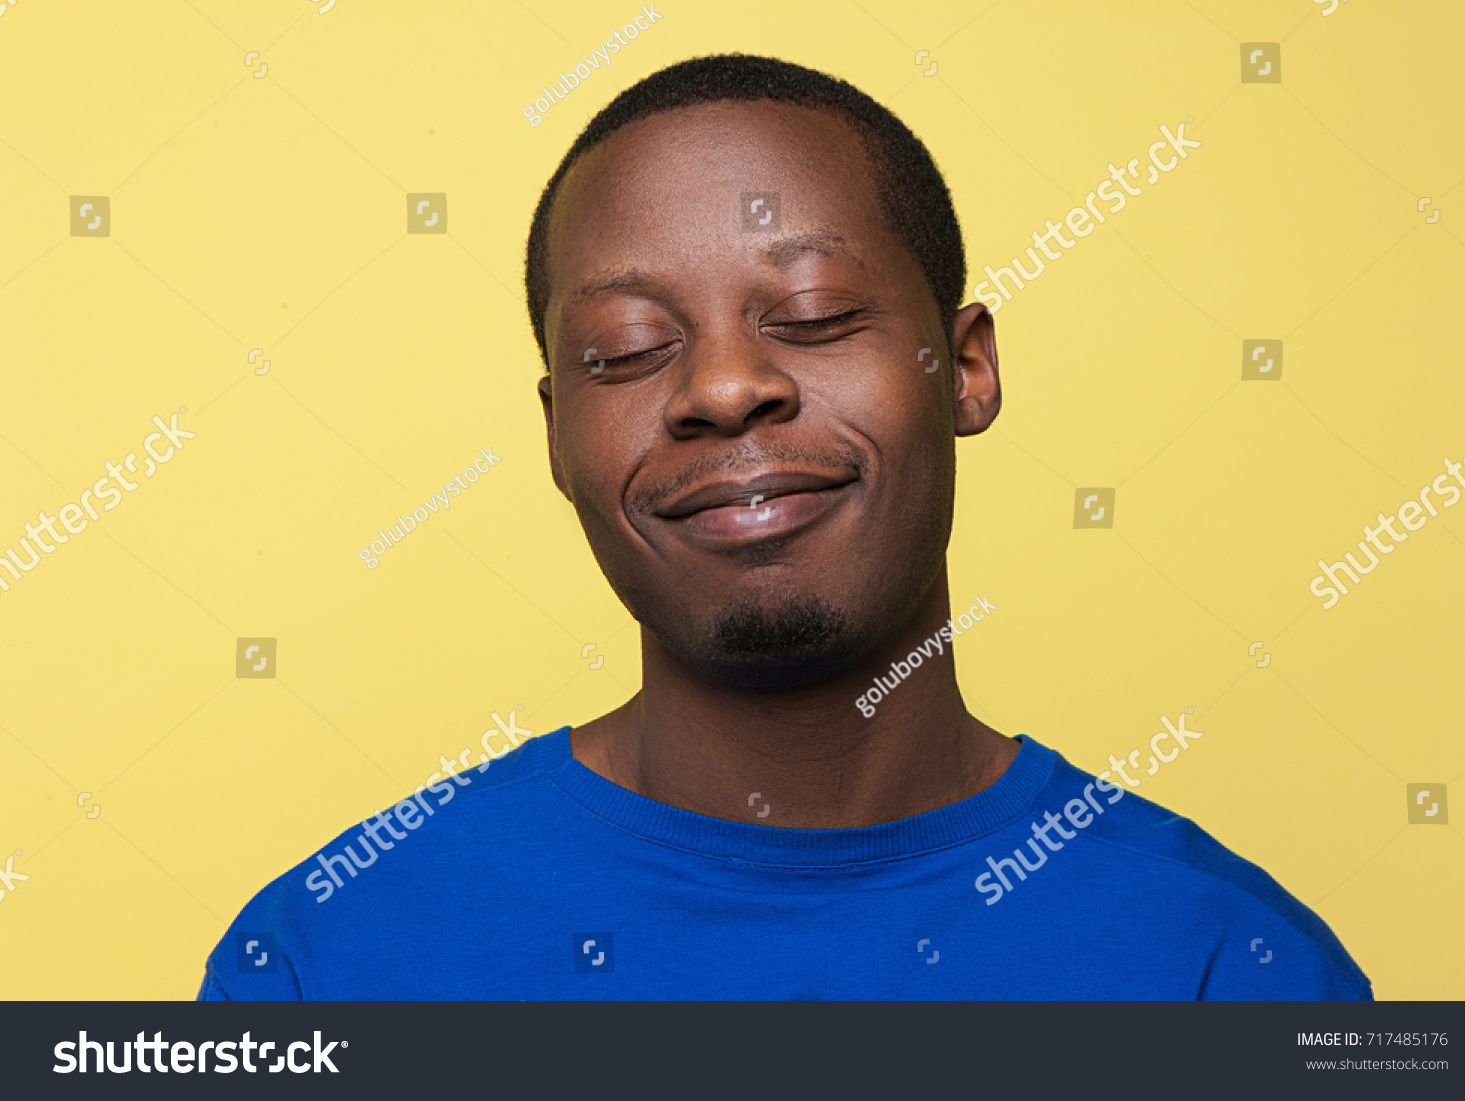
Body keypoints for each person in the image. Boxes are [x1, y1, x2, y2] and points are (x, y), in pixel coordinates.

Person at [199, 54, 1370, 1000]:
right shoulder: (330, 962)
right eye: (625, 349)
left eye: (811, 316)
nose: (722, 387)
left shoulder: (1227, 971)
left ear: (963, 370)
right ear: (559, 436)